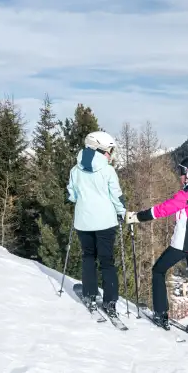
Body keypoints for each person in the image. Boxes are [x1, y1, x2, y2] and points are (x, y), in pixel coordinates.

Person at [125, 156, 188, 334]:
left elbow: (161, 210)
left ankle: (161, 313)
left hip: (181, 244)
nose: (180, 177)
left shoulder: (185, 195)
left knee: (158, 270)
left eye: (183, 173)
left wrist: (137, 217)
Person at [67, 131, 126, 317]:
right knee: (107, 262)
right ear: (99, 149)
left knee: (88, 258)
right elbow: (115, 196)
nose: (111, 155)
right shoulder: (108, 170)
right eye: (109, 151)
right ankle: (110, 302)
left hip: (83, 222)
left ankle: (90, 294)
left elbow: (72, 195)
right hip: (105, 222)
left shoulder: (75, 170)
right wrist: (122, 212)